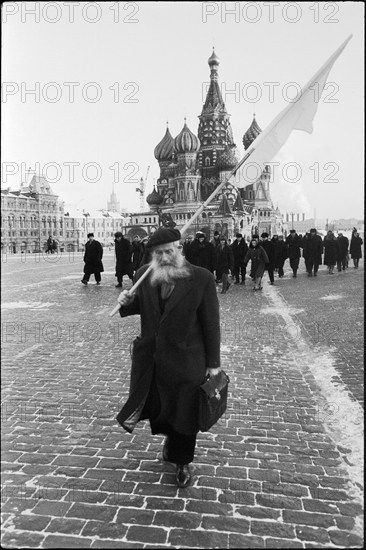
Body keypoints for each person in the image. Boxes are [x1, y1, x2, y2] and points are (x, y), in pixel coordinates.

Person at [116, 227, 220, 488]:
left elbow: (211, 324)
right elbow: (139, 308)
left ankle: (182, 463)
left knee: (185, 413)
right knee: (162, 408)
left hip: (188, 361)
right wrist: (127, 300)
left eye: (168, 251)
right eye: (158, 252)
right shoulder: (143, 275)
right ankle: (171, 441)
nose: (163, 256)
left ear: (179, 249)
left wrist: (213, 364)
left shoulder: (202, 278)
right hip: (154, 359)